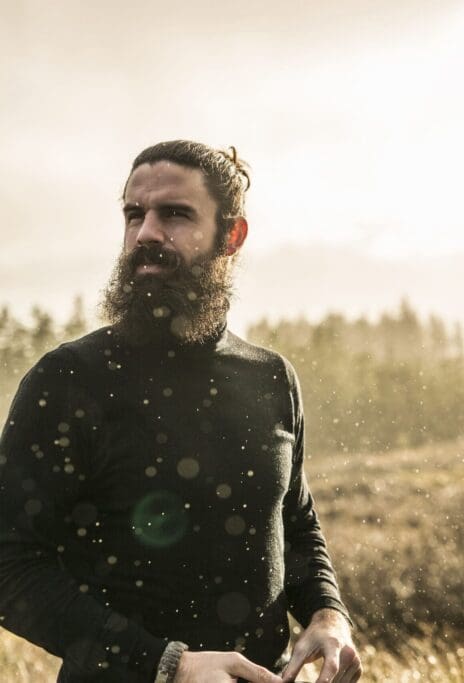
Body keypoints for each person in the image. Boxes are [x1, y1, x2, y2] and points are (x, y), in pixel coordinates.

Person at [0, 141, 361, 683]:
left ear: (231, 236)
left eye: (174, 214)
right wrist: (168, 666)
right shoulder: (70, 379)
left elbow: (294, 518)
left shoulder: (271, 378)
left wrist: (328, 613)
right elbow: (10, 566)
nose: (146, 233)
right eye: (133, 214)